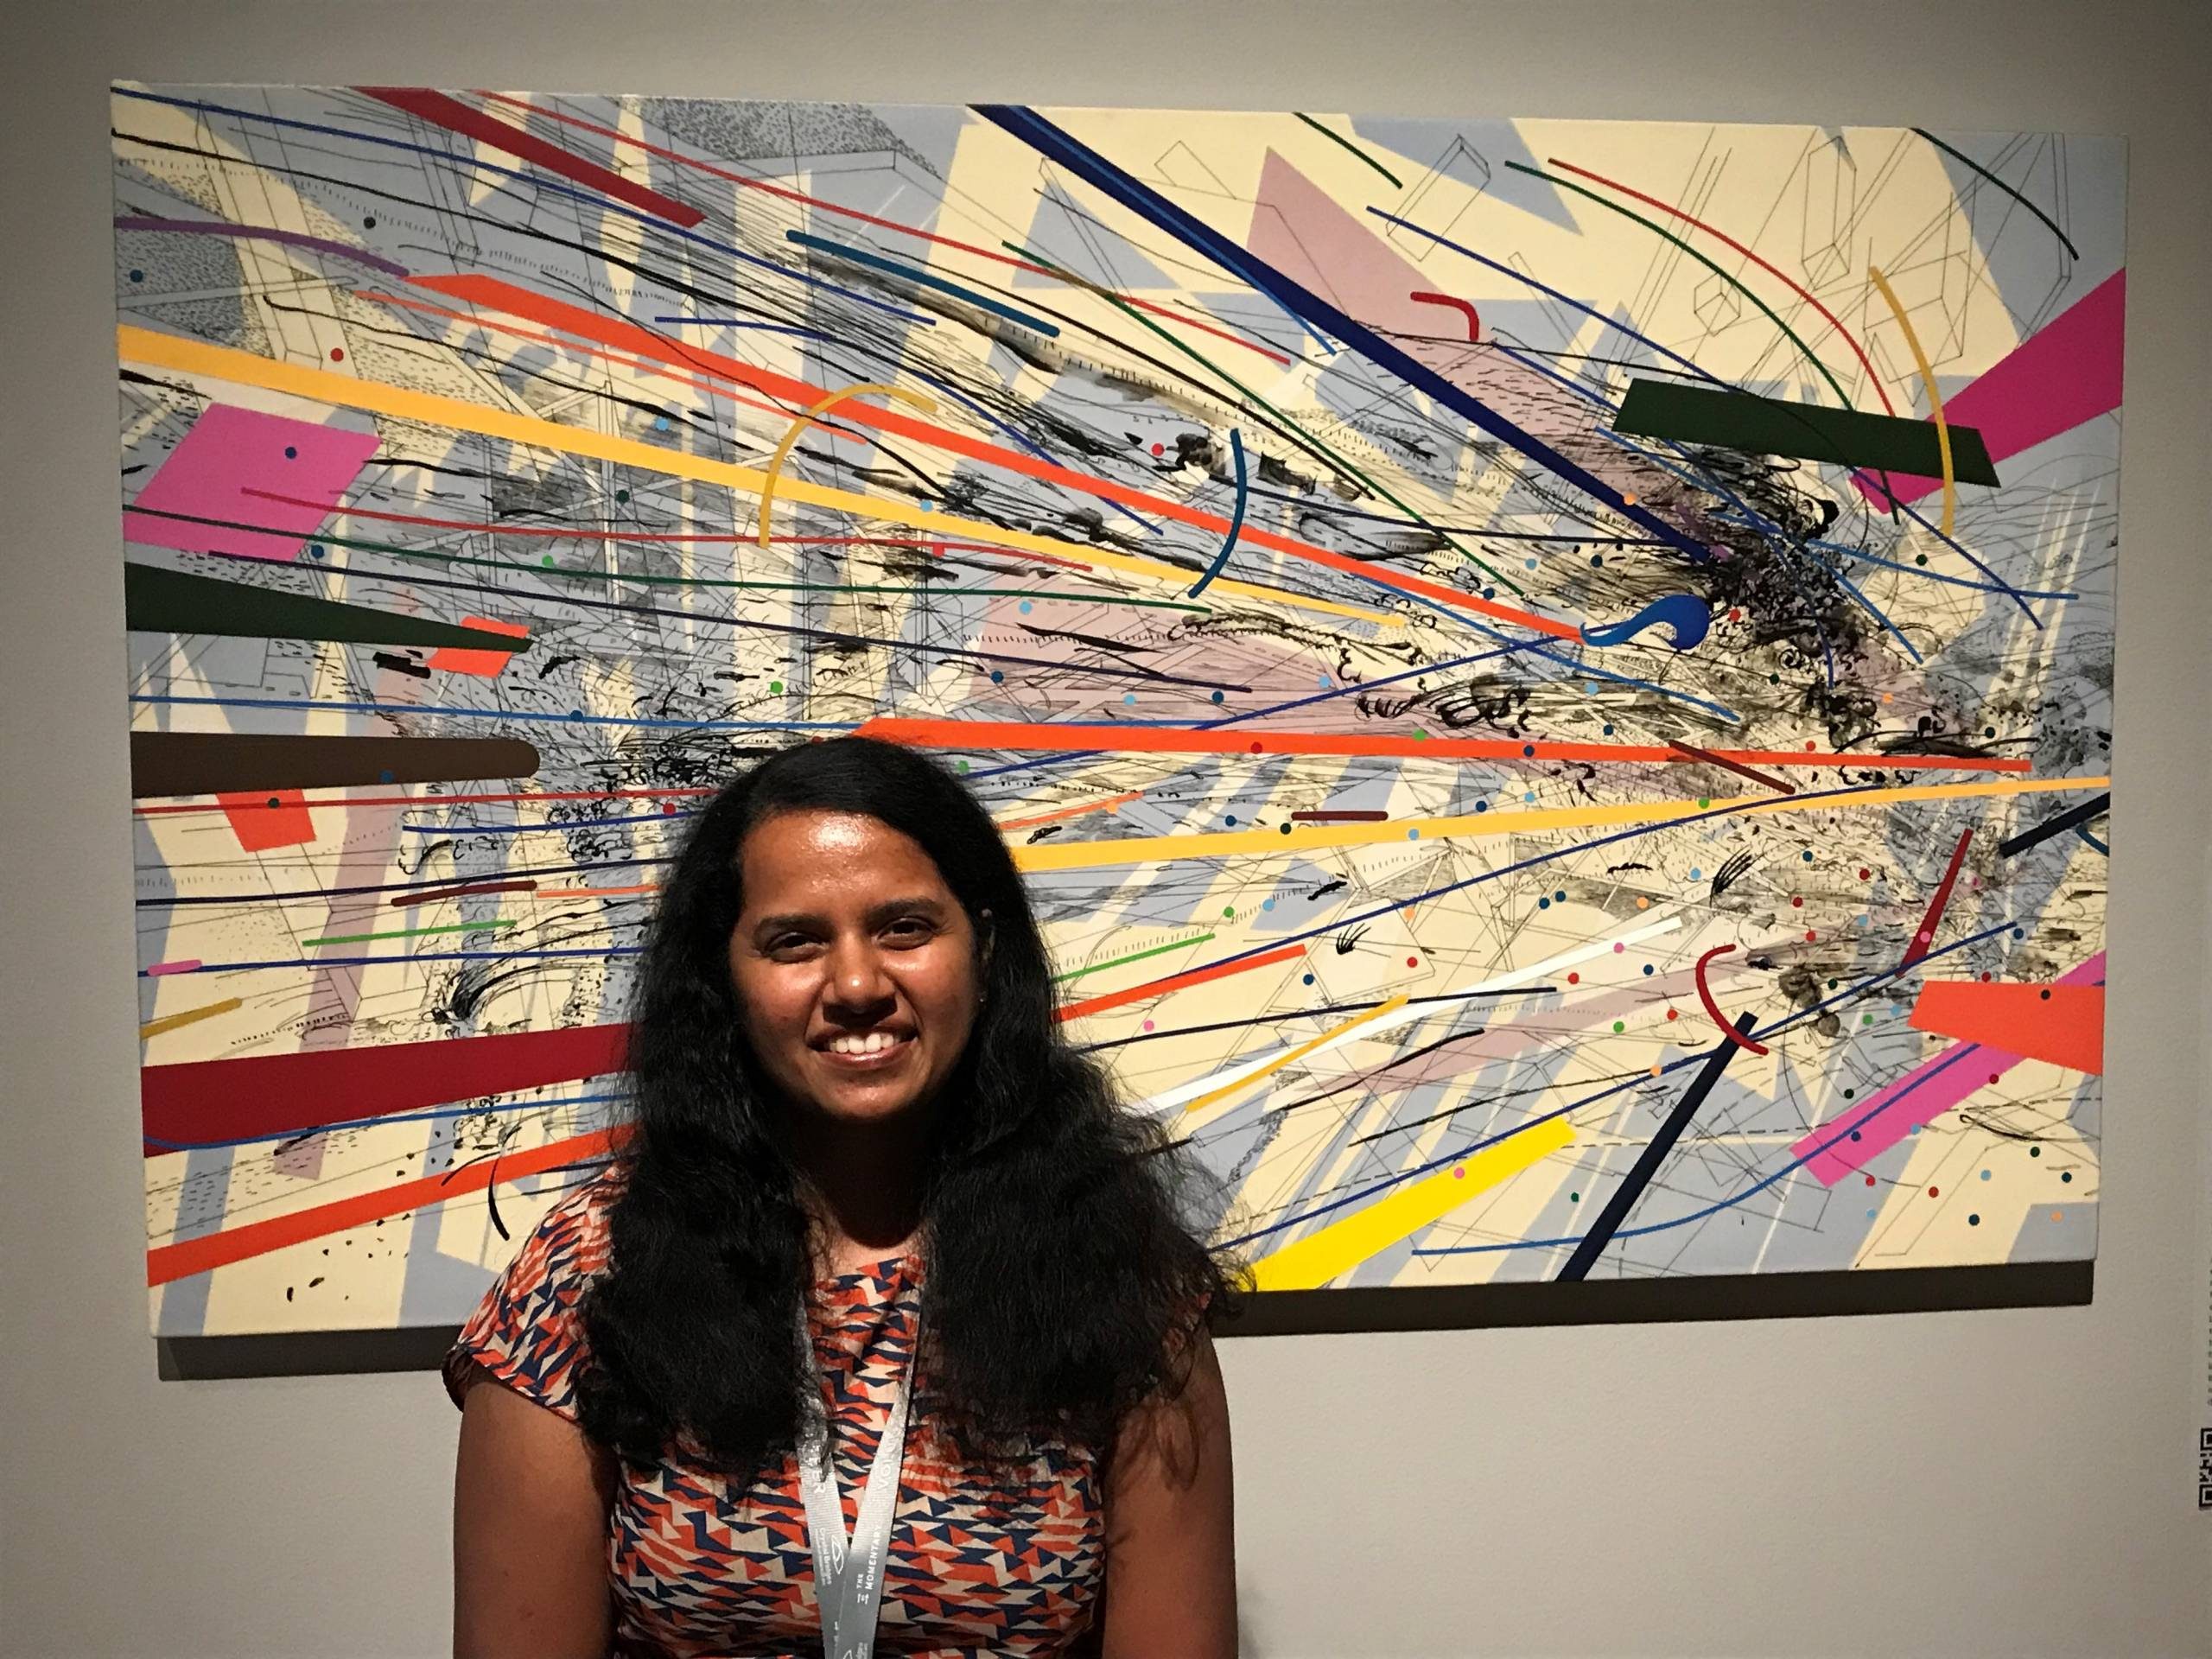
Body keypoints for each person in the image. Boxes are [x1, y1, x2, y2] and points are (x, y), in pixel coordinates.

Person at [446, 735, 1239, 1658]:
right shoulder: (589, 1270)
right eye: (796, 941)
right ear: (725, 978)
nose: (858, 985)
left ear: (983, 950)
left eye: (905, 927)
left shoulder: (1116, 1271)